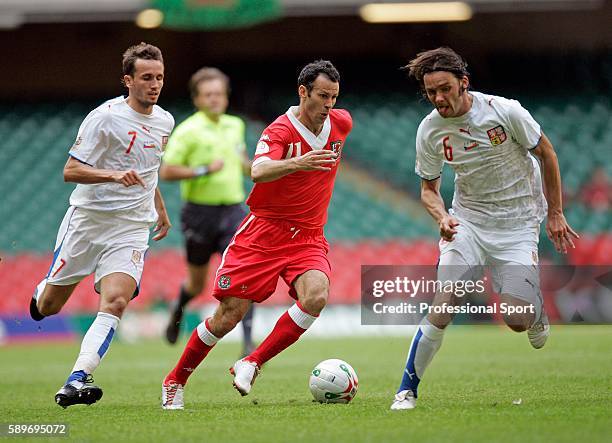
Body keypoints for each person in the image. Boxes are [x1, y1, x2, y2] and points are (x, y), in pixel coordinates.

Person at [390, 47, 579, 410]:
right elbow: (428, 189)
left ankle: (533, 307)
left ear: (464, 83)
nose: (439, 98)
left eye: (445, 88)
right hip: (469, 221)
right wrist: (442, 217)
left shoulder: (504, 111)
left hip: (518, 224)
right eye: (431, 92)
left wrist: (555, 212)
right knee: (445, 301)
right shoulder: (429, 129)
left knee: (517, 320)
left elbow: (547, 153)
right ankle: (406, 390)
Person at [161, 60, 352, 410]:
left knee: (316, 297)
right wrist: (299, 162)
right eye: (322, 96)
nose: (329, 105)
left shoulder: (341, 122)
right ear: (303, 91)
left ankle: (251, 361)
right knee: (227, 317)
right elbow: (260, 170)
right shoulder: (279, 131)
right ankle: (175, 380)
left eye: (334, 97)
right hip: (263, 234)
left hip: (308, 236)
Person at [29, 42, 174, 408]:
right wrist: (112, 175)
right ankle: (43, 289)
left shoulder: (165, 121)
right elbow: (71, 171)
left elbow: (150, 169)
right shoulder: (104, 117)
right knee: (49, 306)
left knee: (117, 300)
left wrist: (159, 207)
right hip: (89, 222)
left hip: (131, 227)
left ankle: (77, 378)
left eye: (159, 77)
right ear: (127, 80)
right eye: (145, 77)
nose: (154, 84)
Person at [159, 67, 255, 355]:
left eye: (219, 94)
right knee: (197, 283)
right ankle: (179, 306)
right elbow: (166, 171)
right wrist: (203, 170)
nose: (214, 99)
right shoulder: (187, 130)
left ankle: (248, 342)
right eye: (208, 94)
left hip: (234, 212)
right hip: (199, 213)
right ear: (197, 99)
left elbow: (242, 163)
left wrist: (264, 169)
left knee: (246, 275)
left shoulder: (235, 125)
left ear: (226, 98)